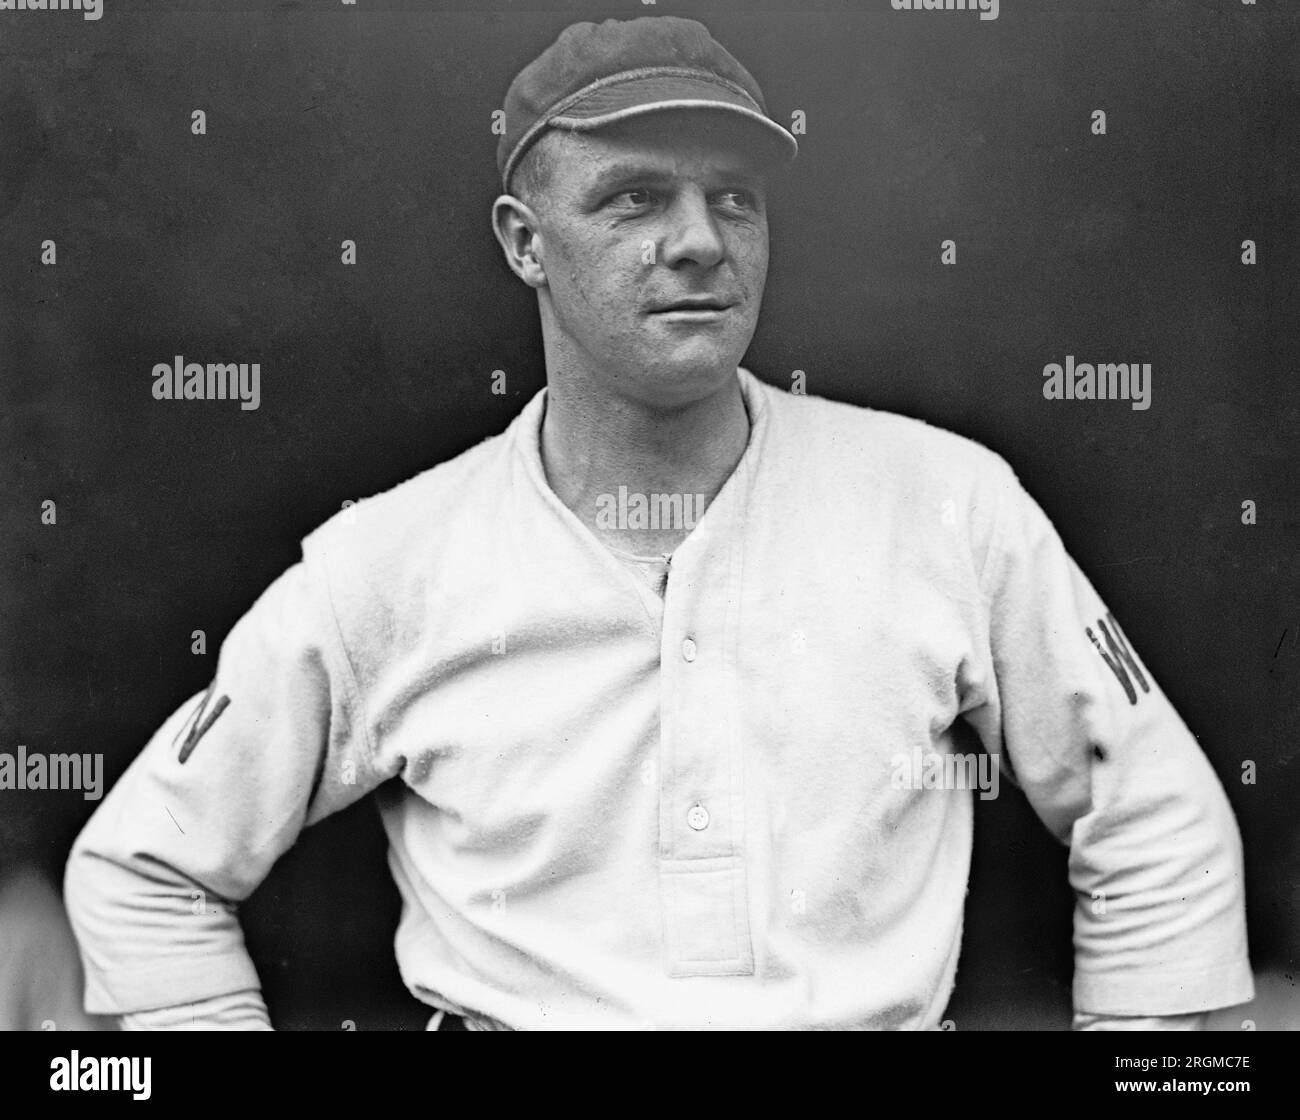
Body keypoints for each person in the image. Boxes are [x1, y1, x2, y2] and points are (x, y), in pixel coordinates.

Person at [65, 15, 1252, 1031]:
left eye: (730, 197)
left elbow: (1151, 815)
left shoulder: (943, 501)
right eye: (635, 196)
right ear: (524, 243)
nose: (699, 239)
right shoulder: (387, 563)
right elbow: (146, 866)